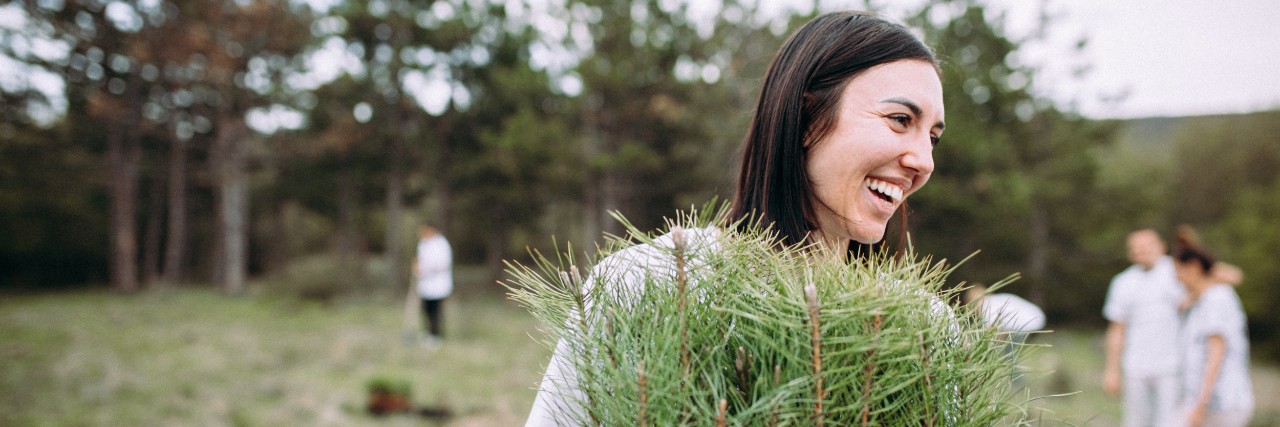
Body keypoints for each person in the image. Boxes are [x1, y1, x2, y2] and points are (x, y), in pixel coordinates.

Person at [526, 11, 944, 425]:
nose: (923, 161)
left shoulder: (924, 330)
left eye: (933, 138)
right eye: (899, 120)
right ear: (807, 120)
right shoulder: (648, 285)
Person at [1101, 228, 1242, 427]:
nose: (1142, 252)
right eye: (1137, 248)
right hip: (1135, 365)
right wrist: (1111, 370)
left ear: (1161, 246)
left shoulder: (1177, 269)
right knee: (1135, 422)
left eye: (1147, 247)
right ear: (1130, 252)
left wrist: (1194, 251)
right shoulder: (1122, 282)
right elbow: (1117, 329)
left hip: (1172, 367)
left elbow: (1232, 275)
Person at [1172, 243, 1253, 427]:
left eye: (1178, 270)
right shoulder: (1202, 300)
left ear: (1193, 267)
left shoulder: (1217, 299)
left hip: (1221, 404)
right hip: (1204, 402)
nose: (1176, 277)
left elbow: (1216, 354)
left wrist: (1201, 404)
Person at [413, 224, 452, 347]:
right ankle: (428, 332)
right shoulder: (423, 243)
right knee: (426, 310)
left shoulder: (441, 244)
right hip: (425, 284)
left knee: (435, 311)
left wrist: (424, 269)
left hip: (438, 284)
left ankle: (436, 335)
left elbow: (441, 264)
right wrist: (417, 267)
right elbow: (421, 259)